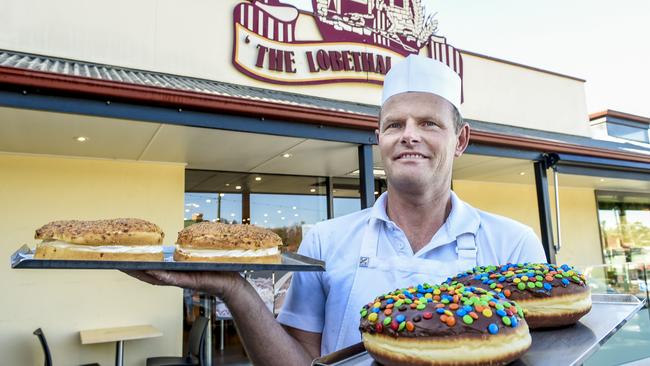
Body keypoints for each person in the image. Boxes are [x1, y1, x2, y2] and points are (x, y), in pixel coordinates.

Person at [126, 54, 547, 365]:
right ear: (377, 138)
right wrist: (233, 288)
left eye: (429, 123)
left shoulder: (513, 244)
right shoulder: (326, 239)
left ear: (461, 139)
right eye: (394, 125)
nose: (409, 136)